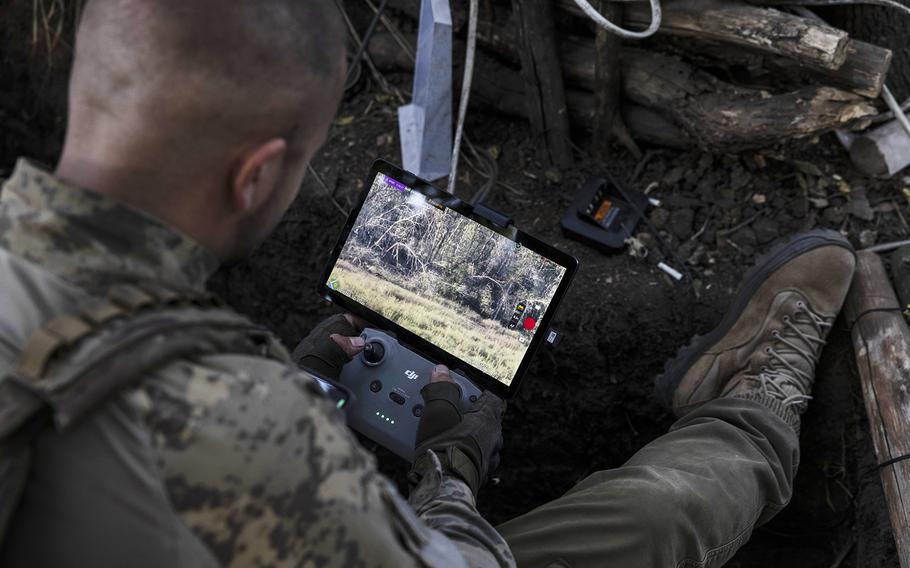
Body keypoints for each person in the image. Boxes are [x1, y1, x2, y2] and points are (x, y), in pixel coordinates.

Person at [0, 1, 856, 567]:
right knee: (664, 518)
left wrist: (298, 380)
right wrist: (451, 465)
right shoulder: (241, 432)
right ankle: (753, 414)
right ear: (256, 177)